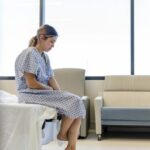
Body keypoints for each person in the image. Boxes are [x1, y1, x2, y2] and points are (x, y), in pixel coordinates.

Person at [15, 24, 86, 150]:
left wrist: (60, 93)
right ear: (42, 37)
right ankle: (62, 134)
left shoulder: (44, 56)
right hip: (29, 93)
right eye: (51, 41)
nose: (53, 45)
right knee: (75, 100)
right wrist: (51, 91)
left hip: (41, 93)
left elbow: (50, 78)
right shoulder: (29, 53)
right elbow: (31, 83)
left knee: (78, 107)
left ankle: (71, 147)